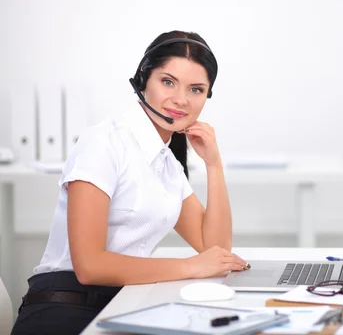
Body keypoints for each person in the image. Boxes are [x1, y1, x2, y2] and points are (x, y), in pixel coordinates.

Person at [11, 30, 249, 335]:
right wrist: (190, 266)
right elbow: (89, 266)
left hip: (122, 304)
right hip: (64, 308)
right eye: (167, 82)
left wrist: (214, 165)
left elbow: (215, 251)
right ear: (143, 80)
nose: (180, 99)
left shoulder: (166, 164)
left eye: (196, 89)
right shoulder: (104, 143)